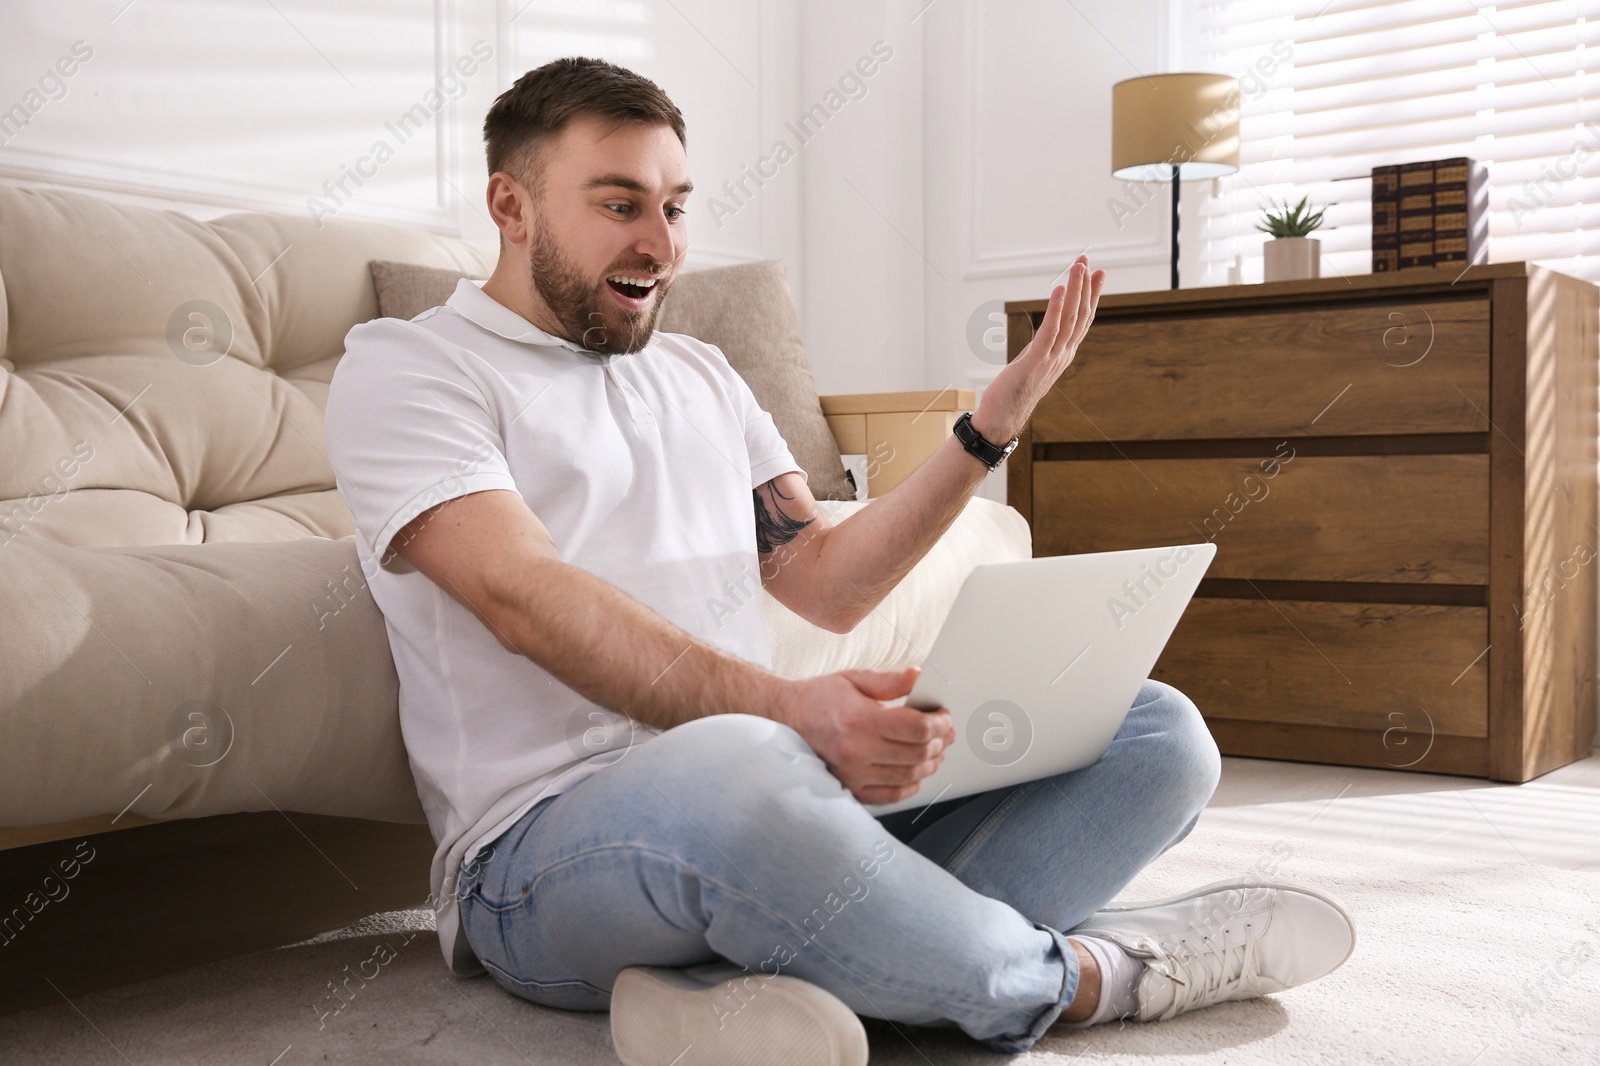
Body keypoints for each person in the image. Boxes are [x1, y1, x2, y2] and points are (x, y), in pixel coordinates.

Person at [323, 55, 1355, 1066]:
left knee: (1155, 734)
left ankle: (742, 990)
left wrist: (983, 434)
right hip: (538, 859)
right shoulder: (410, 367)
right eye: (619, 204)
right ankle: (1093, 978)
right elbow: (523, 595)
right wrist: (792, 713)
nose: (660, 243)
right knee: (746, 768)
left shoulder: (698, 372)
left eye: (676, 207)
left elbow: (824, 578)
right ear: (511, 205)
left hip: (769, 786)